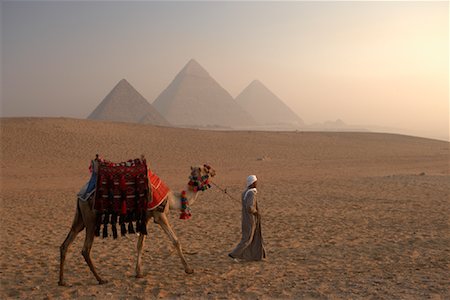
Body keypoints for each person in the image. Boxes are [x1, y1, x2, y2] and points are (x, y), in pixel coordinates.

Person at [229, 175, 266, 261]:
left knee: (253, 238)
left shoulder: (245, 192)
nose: (256, 183)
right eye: (255, 182)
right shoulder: (251, 193)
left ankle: (254, 256)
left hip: (246, 218)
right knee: (247, 239)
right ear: (252, 183)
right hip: (250, 219)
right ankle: (234, 254)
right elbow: (250, 207)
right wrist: (256, 212)